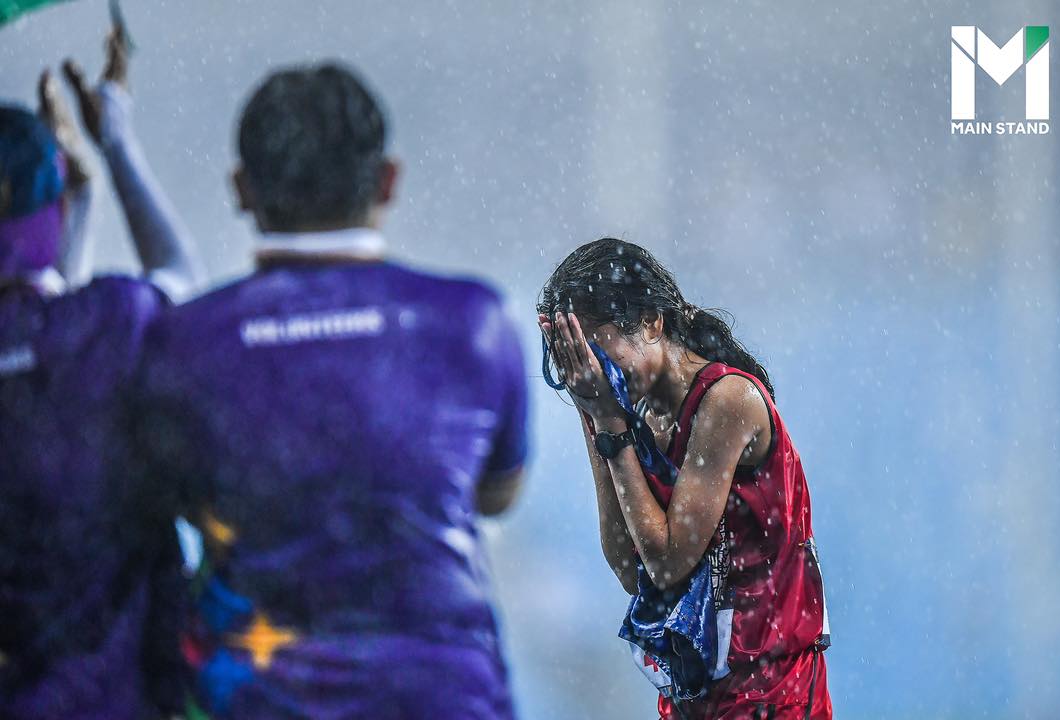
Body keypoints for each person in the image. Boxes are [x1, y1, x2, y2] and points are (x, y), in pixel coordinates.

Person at [120, 63, 529, 718]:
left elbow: (174, 500)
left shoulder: (181, 343)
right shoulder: (475, 321)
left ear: (242, 190)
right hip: (444, 699)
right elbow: (494, 491)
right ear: (389, 180)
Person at [537, 238, 831, 720]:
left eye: (597, 355)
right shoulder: (630, 413)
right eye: (579, 362)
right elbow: (628, 568)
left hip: (771, 696)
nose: (596, 376)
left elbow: (667, 563)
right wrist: (593, 414)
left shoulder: (727, 401)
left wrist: (609, 424)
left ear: (652, 322)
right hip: (693, 698)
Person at [0, 28, 203, 719]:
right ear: (51, 212)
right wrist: (114, 140)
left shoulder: (86, 330)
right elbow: (180, 281)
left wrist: (76, 205)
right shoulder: (109, 325)